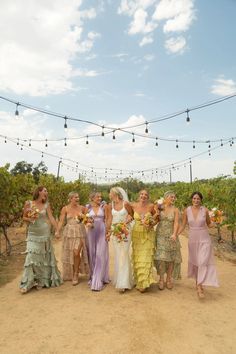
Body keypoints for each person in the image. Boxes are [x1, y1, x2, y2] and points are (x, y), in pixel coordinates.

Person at [20, 186, 62, 293]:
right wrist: (30, 218)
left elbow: (51, 218)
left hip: (44, 232)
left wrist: (57, 229)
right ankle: (27, 283)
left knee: (43, 258)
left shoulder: (46, 205)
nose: (46, 193)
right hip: (32, 233)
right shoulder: (29, 203)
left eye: (47, 191)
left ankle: (41, 281)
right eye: (45, 191)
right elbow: (24, 217)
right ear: (39, 192)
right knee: (31, 256)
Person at [178, 191, 219, 298]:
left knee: (202, 261)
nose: (196, 200)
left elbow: (209, 224)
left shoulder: (204, 210)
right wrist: (176, 234)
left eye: (198, 199)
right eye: (194, 198)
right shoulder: (186, 210)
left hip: (204, 239)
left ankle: (200, 286)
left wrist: (216, 222)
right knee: (196, 262)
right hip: (193, 239)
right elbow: (183, 225)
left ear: (201, 200)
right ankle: (198, 283)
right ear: (192, 199)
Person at [57, 192, 89, 285]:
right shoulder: (65, 209)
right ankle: (70, 273)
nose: (77, 198)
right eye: (75, 197)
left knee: (76, 252)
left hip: (79, 233)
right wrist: (57, 231)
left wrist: (87, 221)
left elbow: (87, 221)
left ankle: (75, 274)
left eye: (78, 197)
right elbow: (61, 221)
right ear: (70, 199)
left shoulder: (83, 208)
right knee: (70, 253)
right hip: (69, 233)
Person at [105, 187, 134, 293]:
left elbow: (132, 215)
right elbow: (109, 219)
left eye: (110, 193)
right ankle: (123, 279)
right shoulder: (110, 205)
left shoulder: (125, 204)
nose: (109, 194)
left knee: (124, 255)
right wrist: (108, 231)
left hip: (125, 232)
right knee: (119, 255)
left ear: (115, 194)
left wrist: (128, 219)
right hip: (115, 233)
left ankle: (123, 283)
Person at [131, 189, 158, 293]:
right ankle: (139, 281)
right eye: (142, 194)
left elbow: (157, 218)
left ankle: (144, 283)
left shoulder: (151, 206)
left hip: (148, 234)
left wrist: (150, 224)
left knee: (146, 257)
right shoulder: (133, 206)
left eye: (146, 195)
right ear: (139, 195)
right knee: (138, 257)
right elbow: (130, 216)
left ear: (148, 197)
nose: (143, 196)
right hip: (137, 234)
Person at [154, 191, 182, 290]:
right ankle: (161, 279)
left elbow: (176, 223)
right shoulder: (160, 207)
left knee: (171, 258)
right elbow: (155, 219)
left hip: (171, 236)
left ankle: (169, 279)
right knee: (160, 258)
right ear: (165, 197)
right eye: (171, 197)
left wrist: (174, 234)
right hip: (160, 235)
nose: (173, 199)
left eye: (174, 197)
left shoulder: (176, 210)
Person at [86, 192, 109, 291]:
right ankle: (93, 276)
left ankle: (97, 280)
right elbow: (84, 219)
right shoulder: (87, 207)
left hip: (102, 231)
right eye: (97, 197)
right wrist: (88, 223)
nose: (100, 198)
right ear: (92, 198)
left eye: (100, 196)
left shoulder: (104, 206)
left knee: (100, 254)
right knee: (92, 254)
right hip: (91, 232)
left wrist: (108, 232)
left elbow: (108, 219)